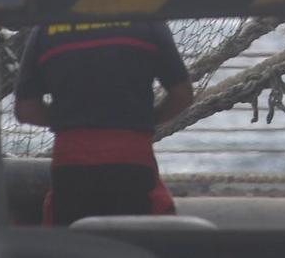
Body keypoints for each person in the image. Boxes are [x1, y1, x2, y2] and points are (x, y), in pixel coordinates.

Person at [11, 18, 193, 227]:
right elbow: (182, 95)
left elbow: (26, 110)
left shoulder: (46, 29)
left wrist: (71, 119)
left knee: (72, 244)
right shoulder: (147, 21)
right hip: (132, 158)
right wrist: (139, 120)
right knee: (141, 242)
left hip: (71, 164)